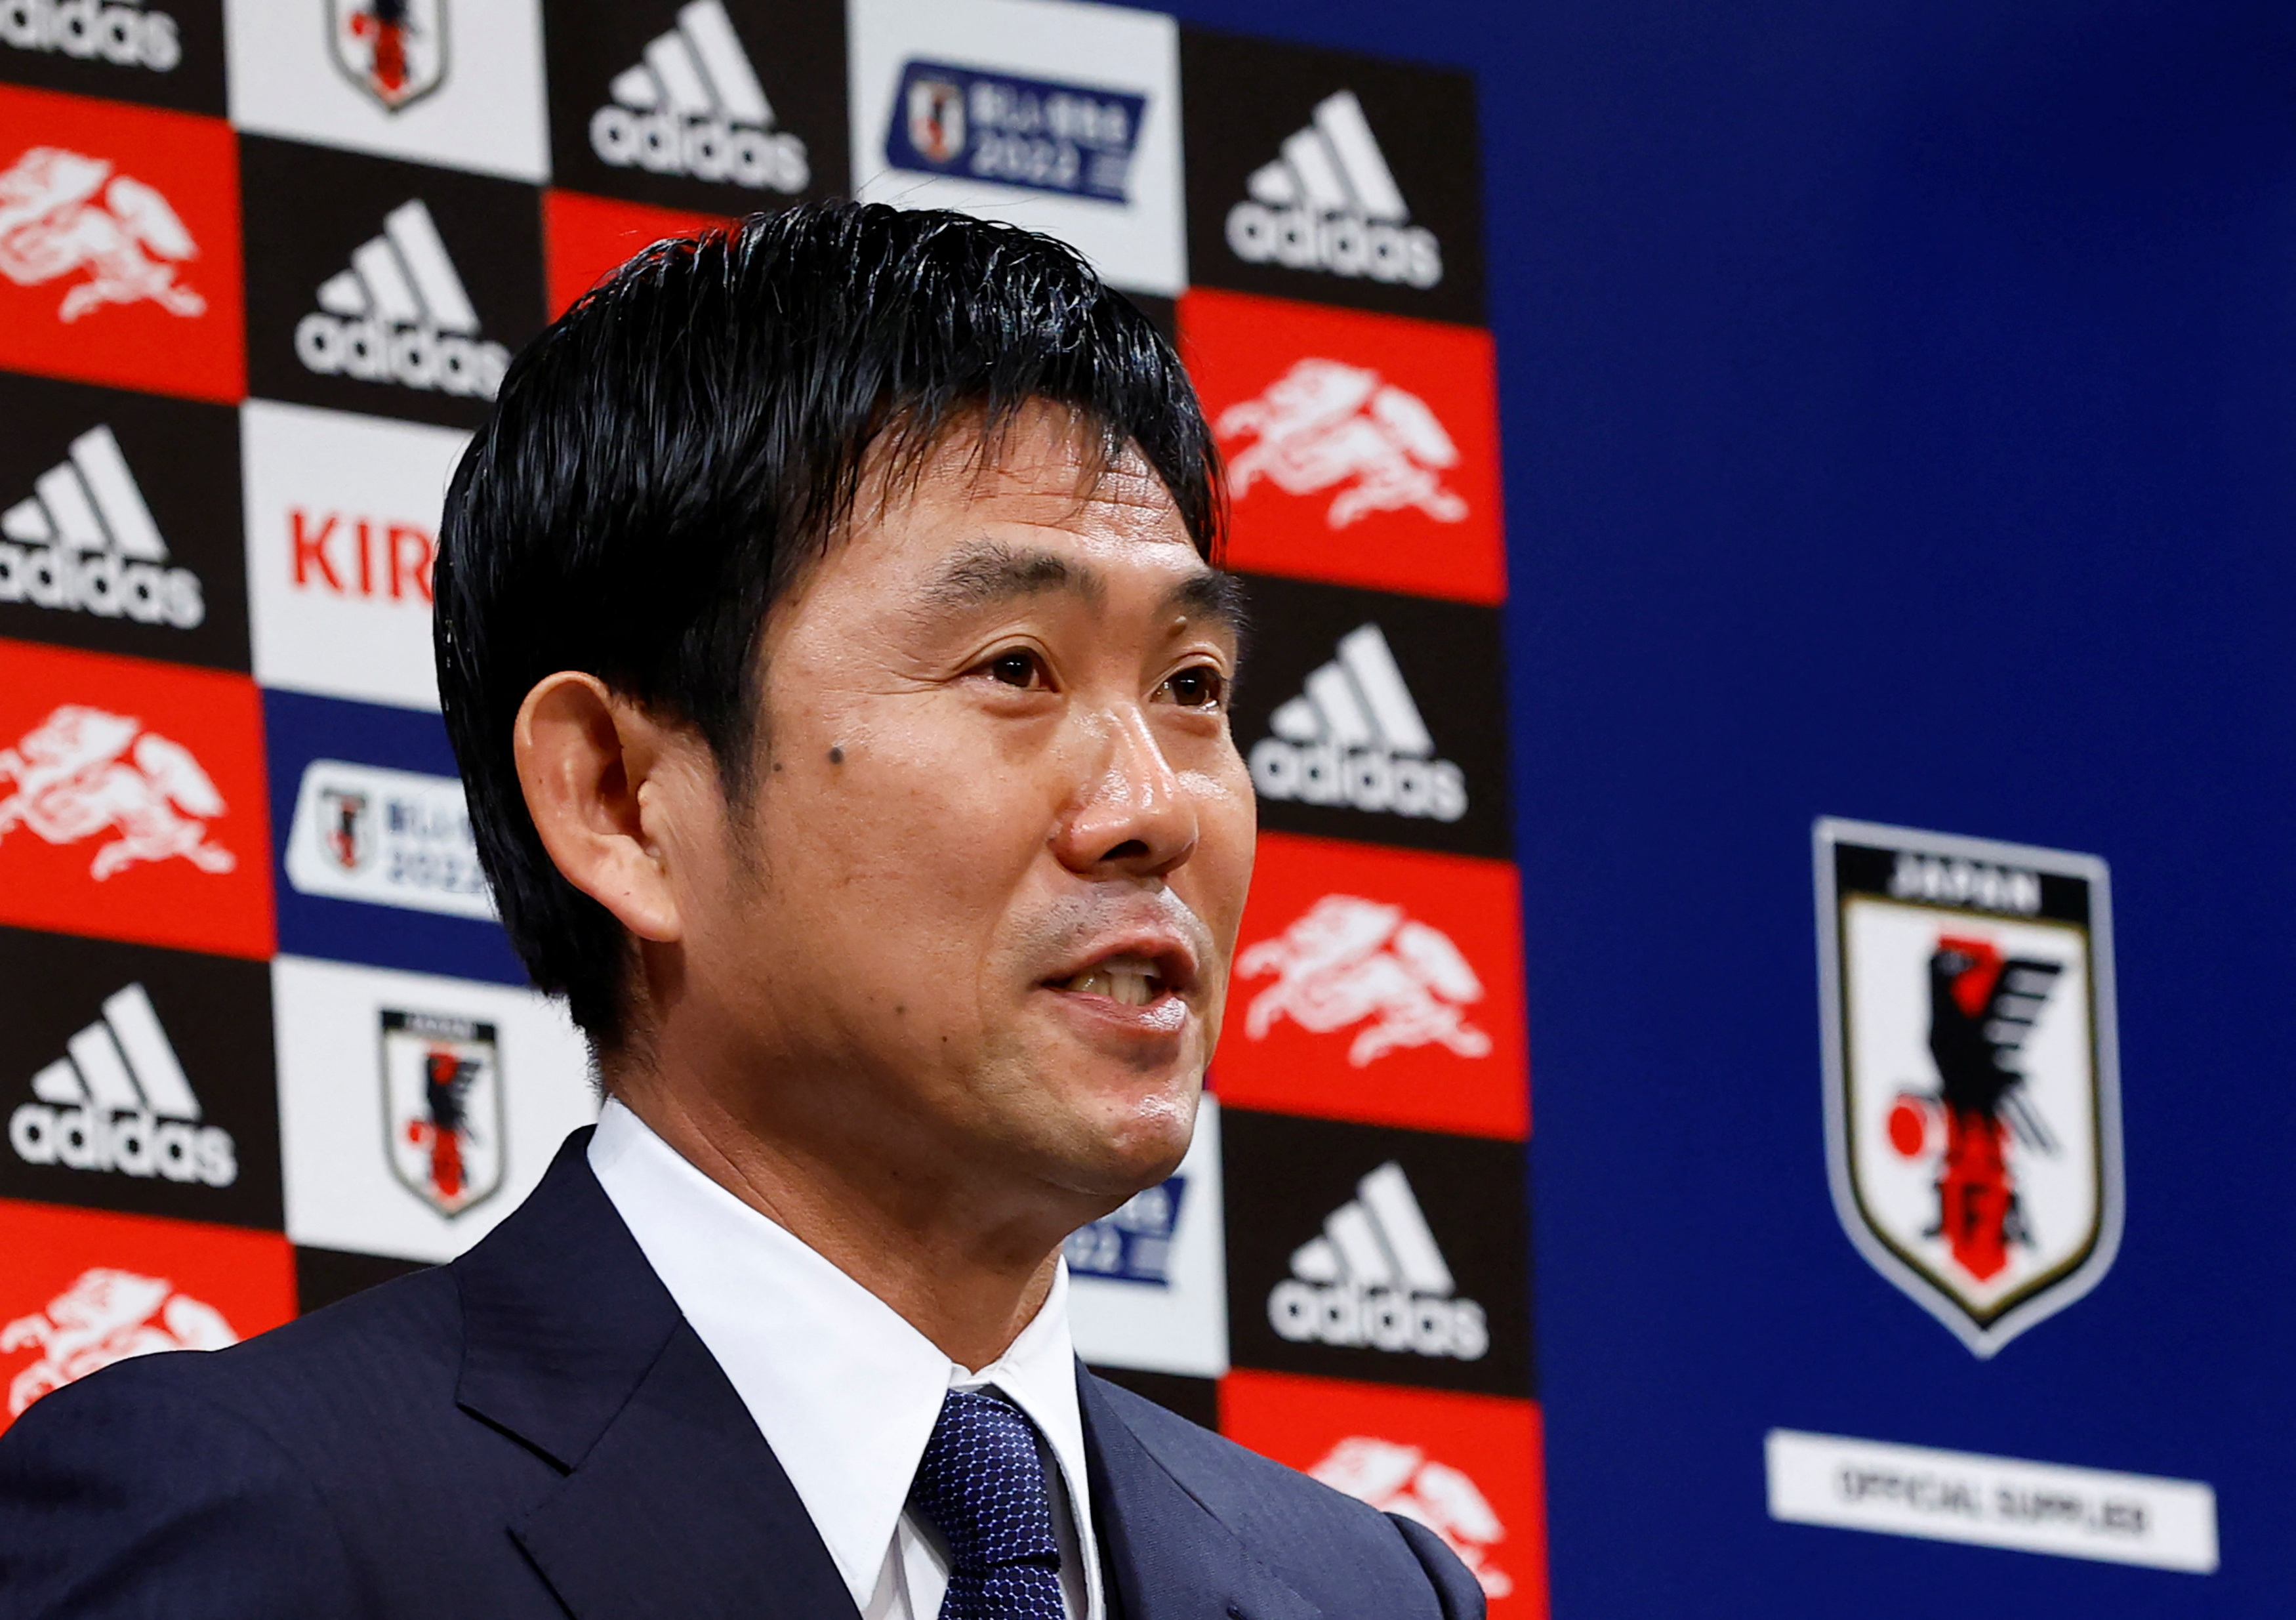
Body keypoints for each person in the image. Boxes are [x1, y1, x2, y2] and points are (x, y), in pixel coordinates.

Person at [0, 202, 1485, 1619]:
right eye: (1017, 668)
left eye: (1192, 686)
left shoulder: (1366, 1586)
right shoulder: (259, 1519)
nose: (1155, 803)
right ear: (618, 798)